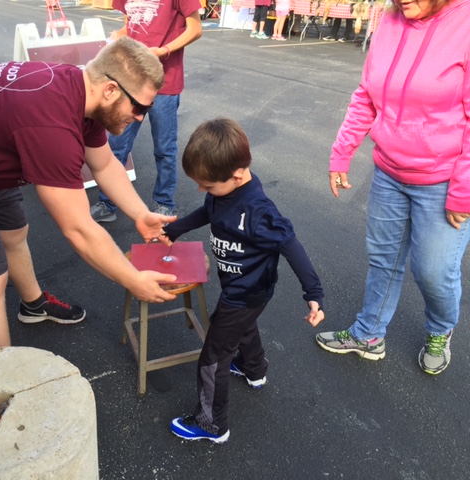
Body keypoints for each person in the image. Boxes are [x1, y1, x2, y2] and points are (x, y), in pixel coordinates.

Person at [0, 38, 180, 349]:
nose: (141, 117)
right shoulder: (51, 127)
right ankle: (2, 382)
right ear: (111, 89)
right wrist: (132, 280)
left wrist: (139, 214)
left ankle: (34, 304)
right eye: (140, 107)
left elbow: (104, 162)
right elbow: (79, 230)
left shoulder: (84, 92)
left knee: (15, 234)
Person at [316, 0, 470, 375]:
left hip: (444, 179)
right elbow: (366, 94)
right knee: (384, 260)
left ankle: (440, 329)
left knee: (434, 272)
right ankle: (369, 334)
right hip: (389, 171)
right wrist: (341, 153)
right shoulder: (391, 17)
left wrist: (463, 190)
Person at [164, 118, 325, 443]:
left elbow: (291, 246)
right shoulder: (225, 192)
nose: (202, 190)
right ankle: (254, 370)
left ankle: (212, 424)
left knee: (211, 359)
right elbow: (208, 210)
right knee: (243, 327)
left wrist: (314, 292)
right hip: (241, 293)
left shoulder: (258, 211)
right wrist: (175, 229)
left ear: (237, 176)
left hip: (246, 293)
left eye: (207, 185)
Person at [89, 0, 203, 223]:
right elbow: (130, 27)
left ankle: (164, 205)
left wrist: (164, 50)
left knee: (164, 149)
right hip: (129, 83)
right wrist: (113, 39)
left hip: (165, 83)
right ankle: (108, 203)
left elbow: (196, 29)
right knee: (116, 146)